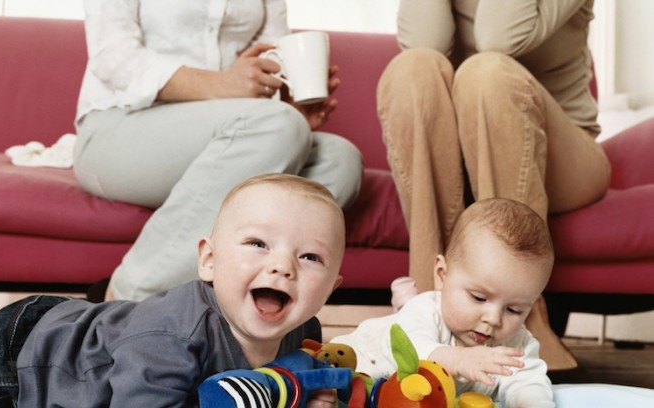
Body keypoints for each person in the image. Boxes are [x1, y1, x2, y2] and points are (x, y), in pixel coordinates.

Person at [0, 174, 345, 407]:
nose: (282, 266)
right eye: (258, 243)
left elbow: (285, 385)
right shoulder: (171, 337)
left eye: (310, 257)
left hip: (86, 331)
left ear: (331, 289)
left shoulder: (302, 334)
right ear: (209, 260)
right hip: (18, 363)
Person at [72, 1, 363, 302]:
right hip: (120, 126)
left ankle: (235, 308)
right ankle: (121, 303)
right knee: (278, 125)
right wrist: (227, 87)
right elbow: (113, 56)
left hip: (230, 129)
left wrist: (288, 112)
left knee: (340, 160)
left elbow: (271, 53)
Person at [376, 0, 611, 369]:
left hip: (565, 158)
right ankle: (425, 311)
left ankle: (524, 320)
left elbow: (498, 37)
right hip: (463, 158)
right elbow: (426, 40)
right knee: (412, 69)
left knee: (487, 74)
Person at [332, 198, 555, 407]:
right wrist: (459, 359)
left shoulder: (517, 345)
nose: (493, 319)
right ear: (441, 275)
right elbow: (411, 352)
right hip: (357, 364)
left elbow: (528, 384)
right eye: (478, 297)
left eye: (514, 310)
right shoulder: (425, 309)